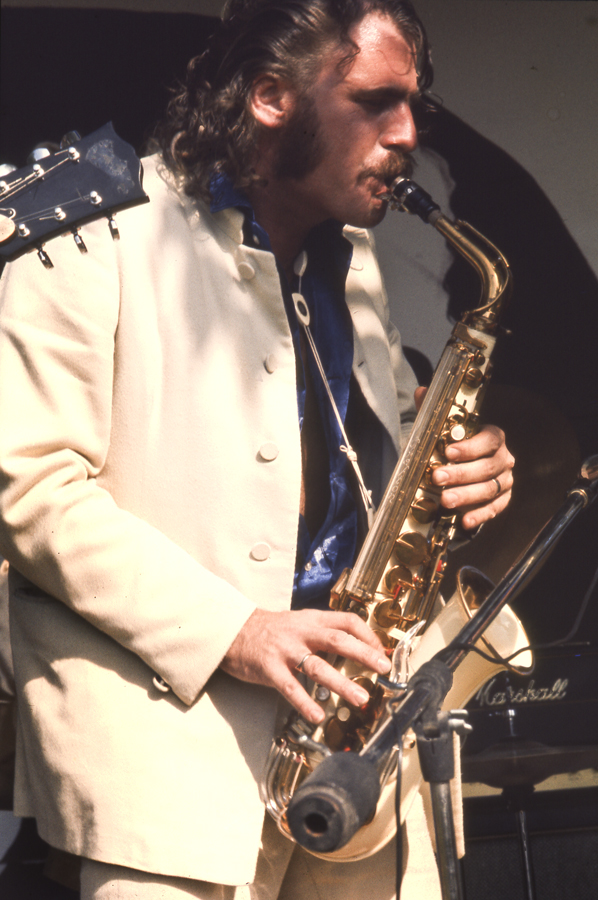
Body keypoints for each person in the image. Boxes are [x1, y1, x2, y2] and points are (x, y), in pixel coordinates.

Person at [0, 1, 514, 898]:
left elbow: (380, 478)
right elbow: (31, 489)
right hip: (169, 774)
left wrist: (466, 476)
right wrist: (236, 632)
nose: (407, 134)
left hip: (352, 763)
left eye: (415, 106)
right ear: (273, 96)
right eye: (376, 101)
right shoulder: (93, 234)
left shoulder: (351, 259)